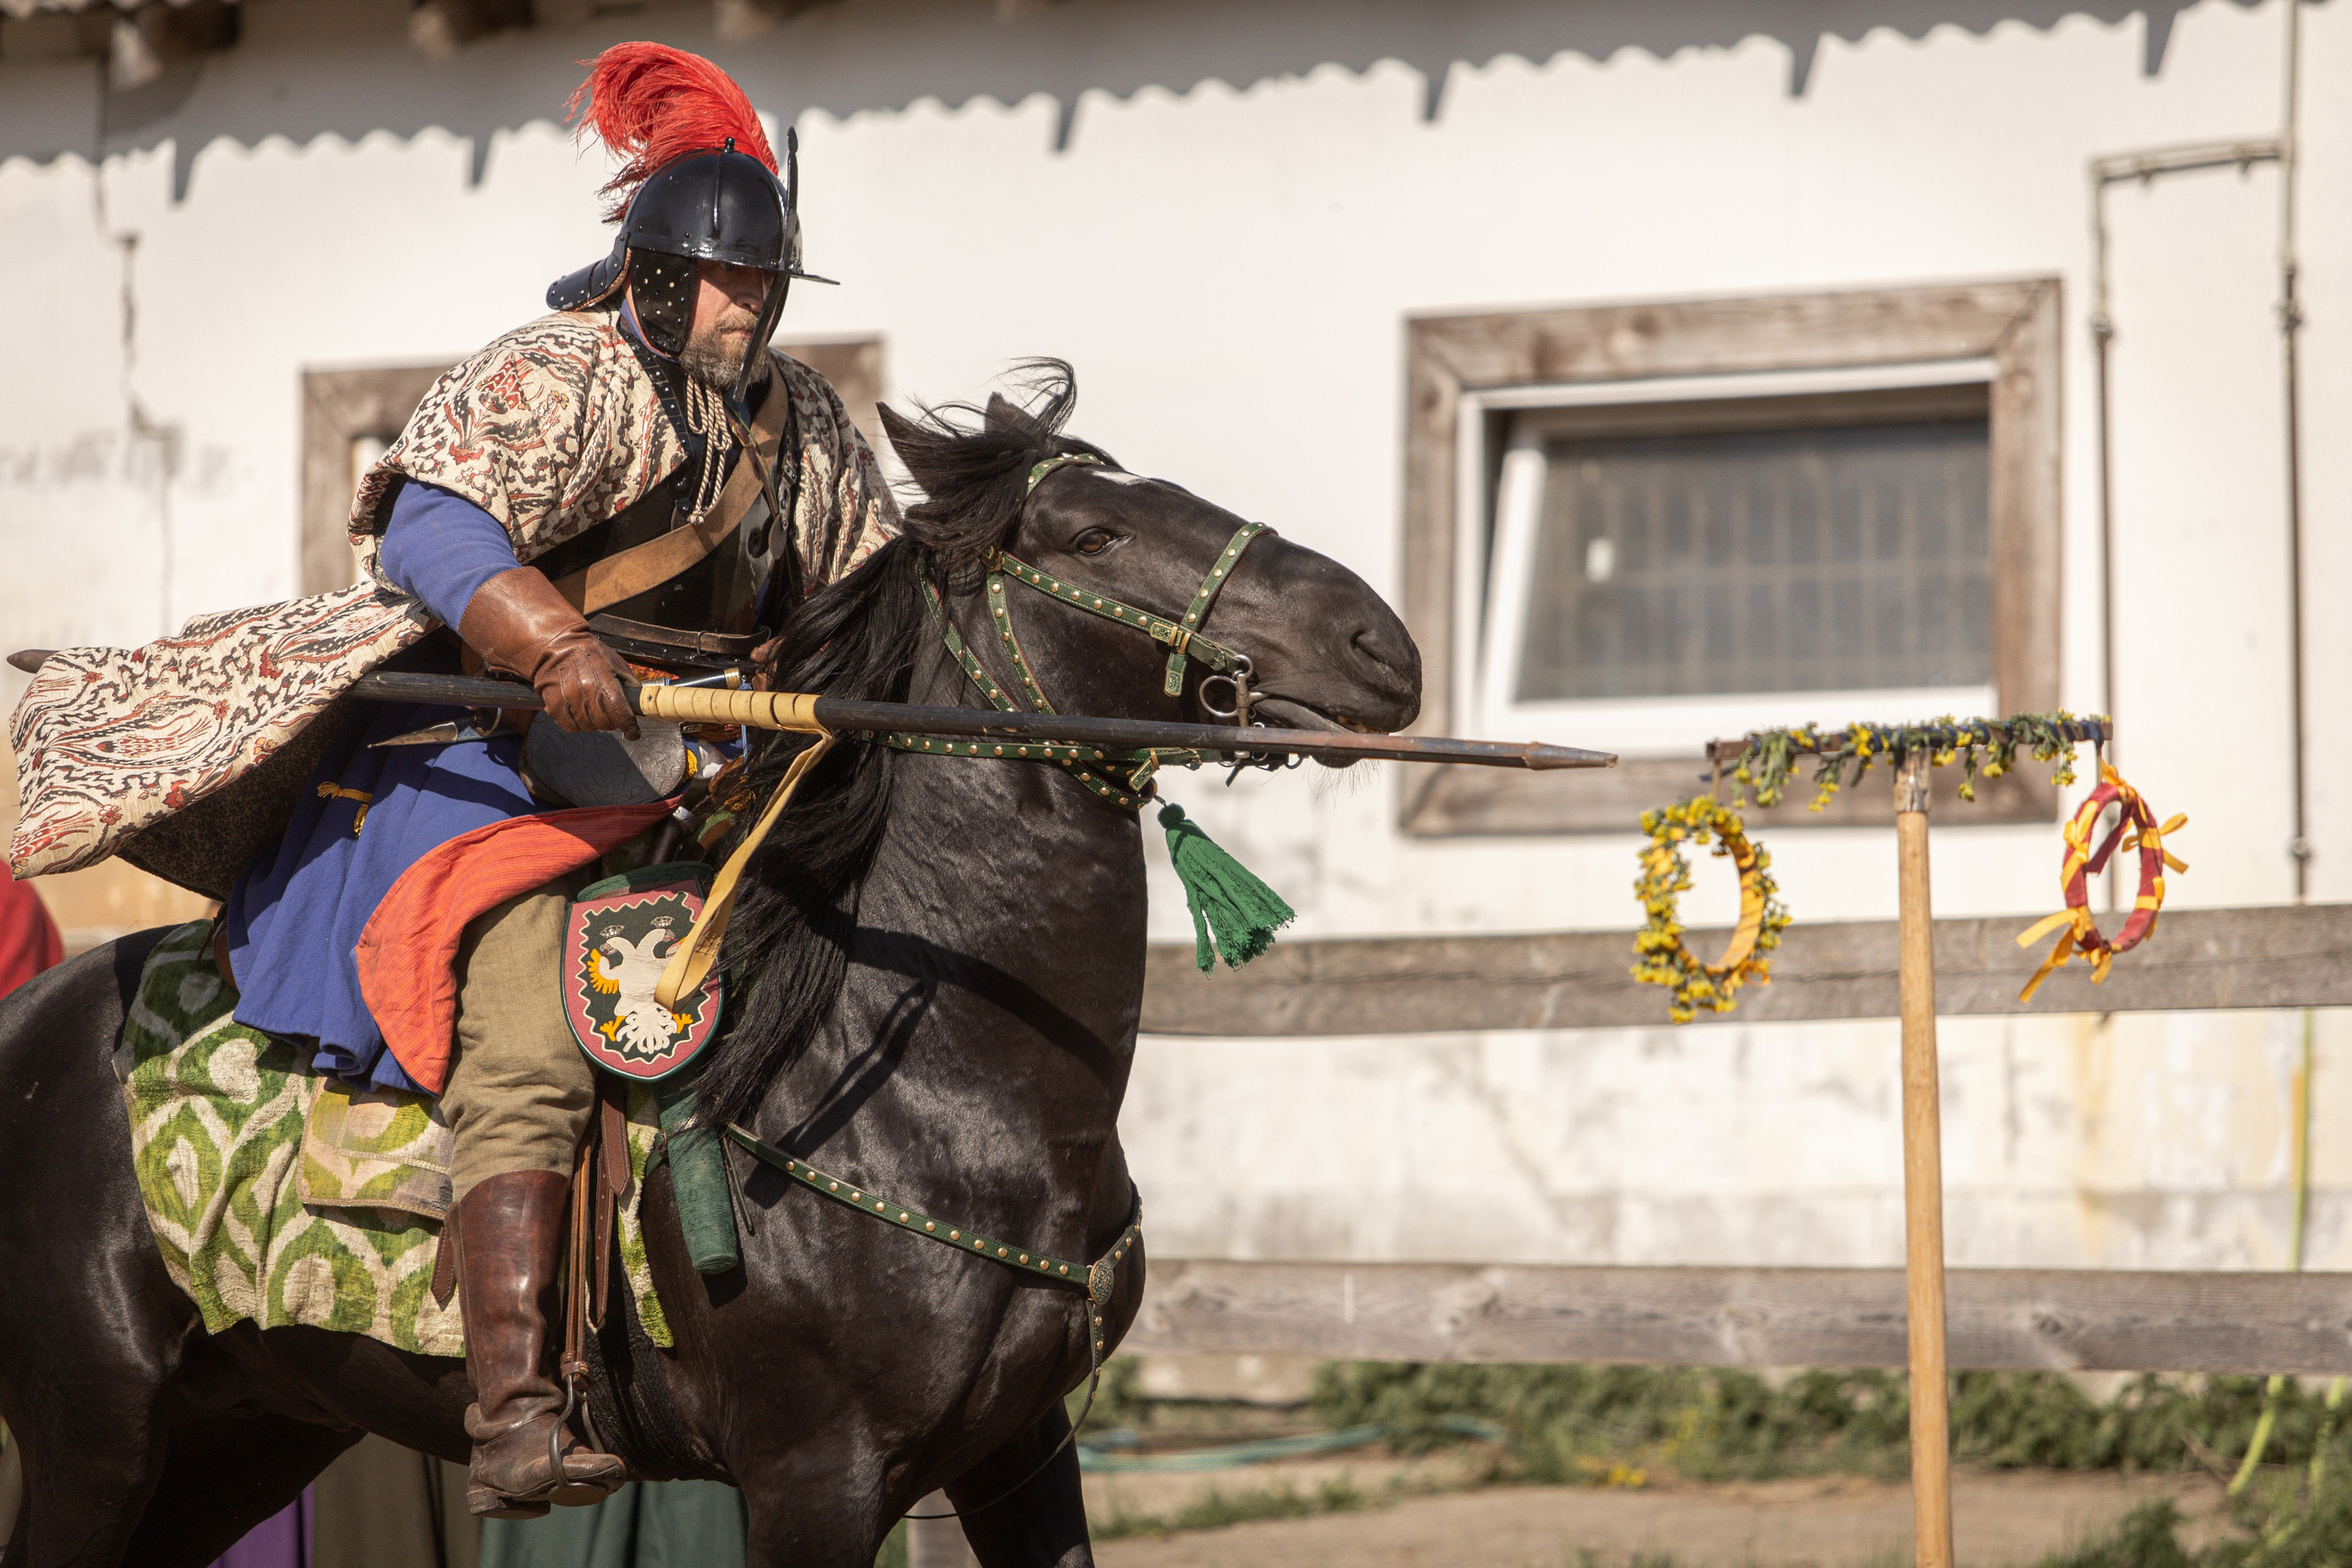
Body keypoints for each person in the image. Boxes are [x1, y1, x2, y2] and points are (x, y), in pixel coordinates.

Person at [7, 43, 898, 1519]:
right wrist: (552, 641)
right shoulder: (555, 373)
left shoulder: (797, 422)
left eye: (767, 290)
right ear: (656, 277)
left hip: (703, 789)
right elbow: (434, 530)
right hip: (493, 777)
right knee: (533, 1020)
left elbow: (864, 591)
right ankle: (517, 1410)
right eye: (725, 286)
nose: (749, 312)